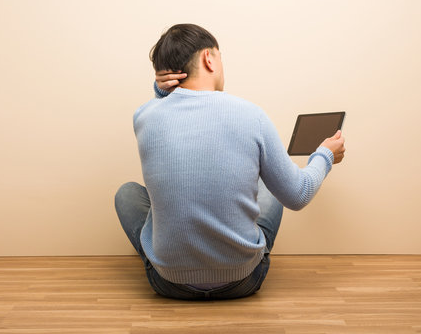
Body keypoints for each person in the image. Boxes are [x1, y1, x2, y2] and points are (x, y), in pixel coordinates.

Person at [114, 23, 345, 300]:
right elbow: (298, 194)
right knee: (269, 184)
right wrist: (325, 155)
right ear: (208, 58)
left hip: (169, 283)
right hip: (242, 280)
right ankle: (243, 255)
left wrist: (161, 92)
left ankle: (168, 259)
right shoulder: (252, 115)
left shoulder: (144, 117)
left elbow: (161, 110)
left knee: (127, 193)